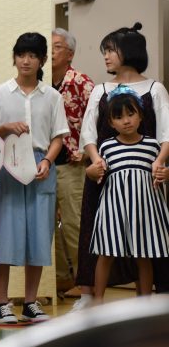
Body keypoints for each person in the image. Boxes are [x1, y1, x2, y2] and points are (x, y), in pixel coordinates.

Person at [76, 22, 169, 311]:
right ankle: (90, 297)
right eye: (104, 51)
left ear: (128, 51)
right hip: (105, 174)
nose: (105, 56)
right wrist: (95, 160)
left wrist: (160, 162)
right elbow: (88, 132)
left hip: (146, 179)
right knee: (98, 236)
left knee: (147, 240)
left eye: (111, 50)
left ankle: (150, 302)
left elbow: (166, 132)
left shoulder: (155, 88)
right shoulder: (100, 90)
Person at [0, 32, 69, 324]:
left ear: (42, 60)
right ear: (14, 57)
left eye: (33, 55)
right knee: (5, 233)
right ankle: (2, 303)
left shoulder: (53, 96)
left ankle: (30, 302)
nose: (26, 61)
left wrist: (47, 160)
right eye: (21, 54)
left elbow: (58, 136)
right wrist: (6, 127)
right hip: (7, 165)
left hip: (40, 166)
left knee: (39, 234)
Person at [85, 87, 169, 303]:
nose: (126, 121)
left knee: (144, 255)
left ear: (141, 116)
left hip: (145, 210)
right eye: (119, 117)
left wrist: (164, 174)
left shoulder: (153, 146)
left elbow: (161, 173)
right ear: (111, 123)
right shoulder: (106, 147)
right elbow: (94, 173)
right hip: (113, 209)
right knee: (106, 253)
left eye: (131, 114)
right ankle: (98, 299)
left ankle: (145, 303)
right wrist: (91, 171)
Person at [50, 28, 94, 297]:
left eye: (57, 47)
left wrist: (88, 152)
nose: (51, 52)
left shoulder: (80, 82)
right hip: (44, 163)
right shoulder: (40, 82)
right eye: (49, 47)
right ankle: (59, 278)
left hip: (72, 164)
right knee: (48, 225)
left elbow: (99, 119)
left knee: (73, 223)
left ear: (70, 54)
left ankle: (84, 279)